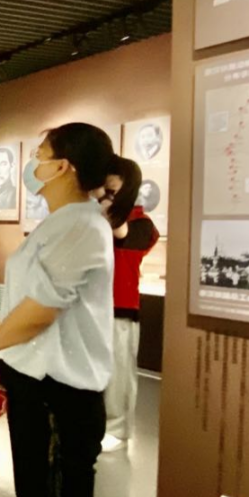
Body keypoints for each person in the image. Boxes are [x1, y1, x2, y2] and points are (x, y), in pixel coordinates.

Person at [0, 123, 125, 497]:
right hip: (34, 378)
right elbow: (25, 302)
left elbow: (41, 310)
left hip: (63, 390)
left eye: (38, 155)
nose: (32, 165)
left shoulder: (83, 225)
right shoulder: (61, 222)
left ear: (63, 167)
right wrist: (2, 356)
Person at [99, 157, 158, 454]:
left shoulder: (142, 224)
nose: (107, 185)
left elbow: (121, 233)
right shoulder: (97, 215)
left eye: (114, 182)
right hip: (93, 306)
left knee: (119, 373)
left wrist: (103, 199)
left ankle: (118, 429)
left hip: (121, 308)